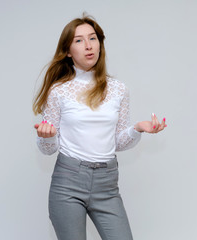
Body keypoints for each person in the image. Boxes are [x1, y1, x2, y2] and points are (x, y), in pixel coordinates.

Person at [32, 14, 167, 240]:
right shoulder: (58, 91)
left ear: (100, 43)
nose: (88, 46)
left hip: (107, 183)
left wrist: (138, 128)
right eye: (79, 40)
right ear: (67, 51)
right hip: (68, 182)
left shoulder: (118, 89)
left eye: (93, 38)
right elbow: (48, 149)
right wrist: (46, 137)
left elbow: (118, 142)